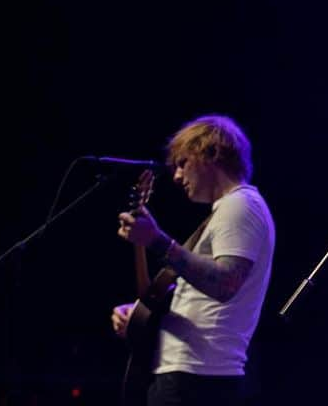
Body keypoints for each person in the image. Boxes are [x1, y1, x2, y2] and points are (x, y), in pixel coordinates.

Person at [112, 114, 275, 406]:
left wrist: (158, 241)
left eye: (183, 163)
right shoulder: (230, 209)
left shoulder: (240, 206)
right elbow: (200, 297)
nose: (176, 176)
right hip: (191, 378)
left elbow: (226, 283)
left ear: (211, 154)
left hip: (197, 382)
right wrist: (142, 316)